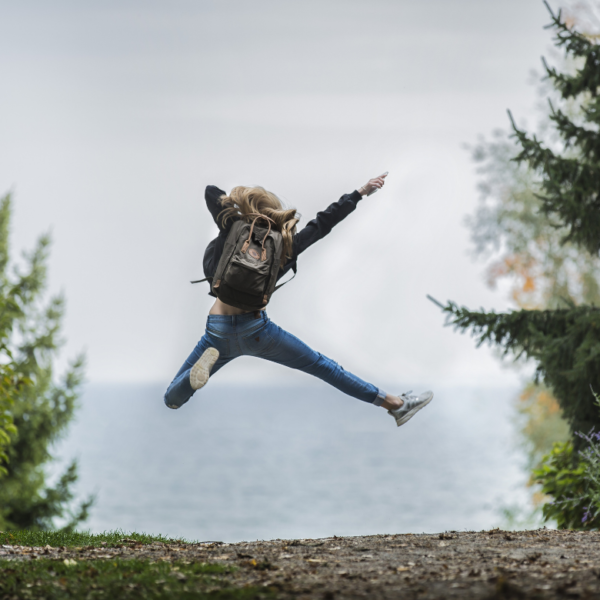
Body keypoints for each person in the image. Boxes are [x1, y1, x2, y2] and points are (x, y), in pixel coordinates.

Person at [164, 173, 433, 426]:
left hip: (218, 330)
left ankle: (191, 380)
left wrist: (240, 209)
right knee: (324, 367)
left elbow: (211, 192)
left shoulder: (232, 227)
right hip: (257, 331)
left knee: (171, 399)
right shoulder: (284, 245)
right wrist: (360, 193)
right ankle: (395, 405)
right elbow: (322, 224)